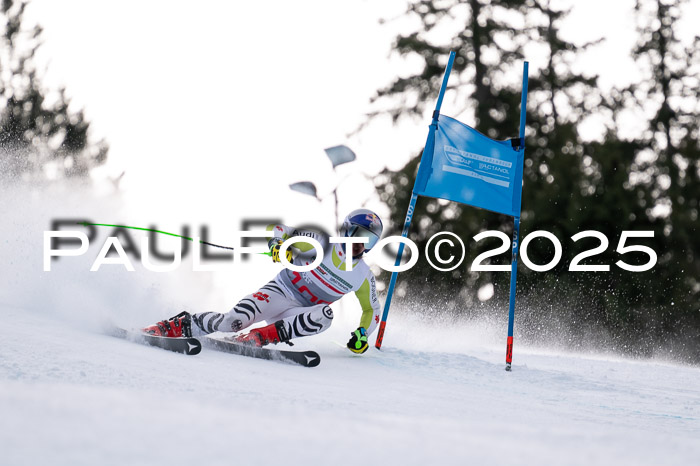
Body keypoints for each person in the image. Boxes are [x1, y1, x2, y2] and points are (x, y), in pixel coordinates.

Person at [143, 208, 384, 354]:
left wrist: (363, 334)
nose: (360, 244)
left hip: (298, 315)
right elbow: (278, 228)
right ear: (346, 230)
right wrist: (277, 245)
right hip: (280, 293)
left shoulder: (363, 276)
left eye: (368, 240)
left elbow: (372, 309)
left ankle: (261, 337)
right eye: (357, 235)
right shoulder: (320, 241)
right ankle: (173, 326)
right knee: (232, 321)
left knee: (325, 315)